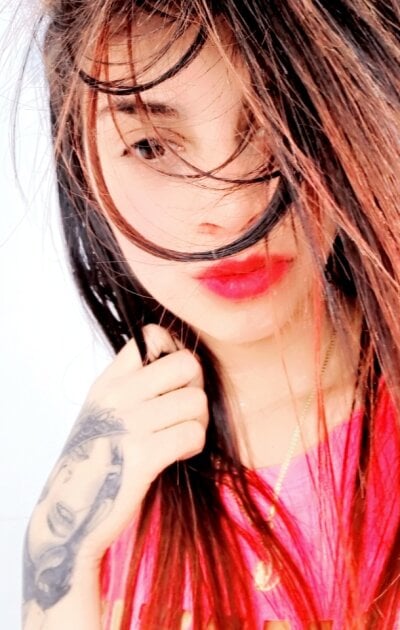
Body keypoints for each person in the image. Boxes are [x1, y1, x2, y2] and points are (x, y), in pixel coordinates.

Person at [22, 1, 400, 628]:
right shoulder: (107, 482)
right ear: (82, 165)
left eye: (290, 125)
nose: (228, 210)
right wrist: (58, 554)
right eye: (150, 145)